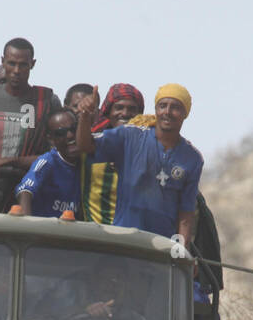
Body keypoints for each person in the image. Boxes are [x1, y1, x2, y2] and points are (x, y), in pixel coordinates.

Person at [75, 82, 202, 247]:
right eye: (162, 106)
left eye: (175, 107)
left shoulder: (192, 158)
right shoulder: (129, 136)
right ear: (156, 109)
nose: (167, 112)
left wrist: (180, 252)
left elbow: (185, 213)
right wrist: (85, 116)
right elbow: (85, 145)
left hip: (161, 247)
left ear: (185, 113)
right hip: (123, 240)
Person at [0, 38, 60, 209]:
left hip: (29, 189)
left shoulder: (46, 100)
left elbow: (56, 153)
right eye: (11, 63)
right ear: (2, 62)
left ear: (33, 64)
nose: (16, 70)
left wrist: (13, 161)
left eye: (23, 65)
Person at [77, 83, 144, 226]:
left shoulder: (147, 145)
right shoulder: (95, 139)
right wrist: (85, 115)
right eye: (119, 107)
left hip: (135, 233)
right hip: (97, 233)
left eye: (132, 109)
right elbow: (83, 145)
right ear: (108, 111)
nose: (125, 113)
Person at [15, 109, 82, 217]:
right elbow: (25, 191)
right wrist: (27, 226)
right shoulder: (47, 162)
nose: (70, 135)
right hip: (45, 229)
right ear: (51, 139)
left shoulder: (87, 160)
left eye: (73, 129)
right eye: (61, 133)